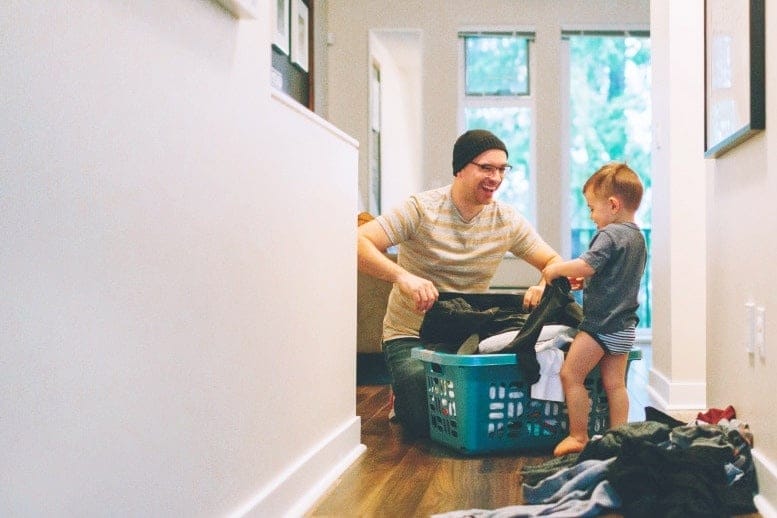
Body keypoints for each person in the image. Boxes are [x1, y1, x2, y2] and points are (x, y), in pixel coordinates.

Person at [357, 129, 564, 438]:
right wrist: (403, 276)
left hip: (465, 333)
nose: (496, 177)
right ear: (460, 169)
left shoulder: (506, 219)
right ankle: (403, 391)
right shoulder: (420, 209)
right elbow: (358, 241)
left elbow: (553, 262)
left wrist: (542, 283)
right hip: (410, 333)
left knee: (478, 416)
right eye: (486, 168)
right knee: (422, 424)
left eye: (501, 169)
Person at [542, 162, 647, 457]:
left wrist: (556, 269)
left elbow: (588, 263)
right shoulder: (637, 236)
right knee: (615, 385)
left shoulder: (609, 234)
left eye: (592, 208)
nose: (591, 216)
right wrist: (587, 281)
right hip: (625, 326)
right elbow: (611, 274)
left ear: (613, 205)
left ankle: (579, 436)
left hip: (600, 326)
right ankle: (618, 438)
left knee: (570, 375)